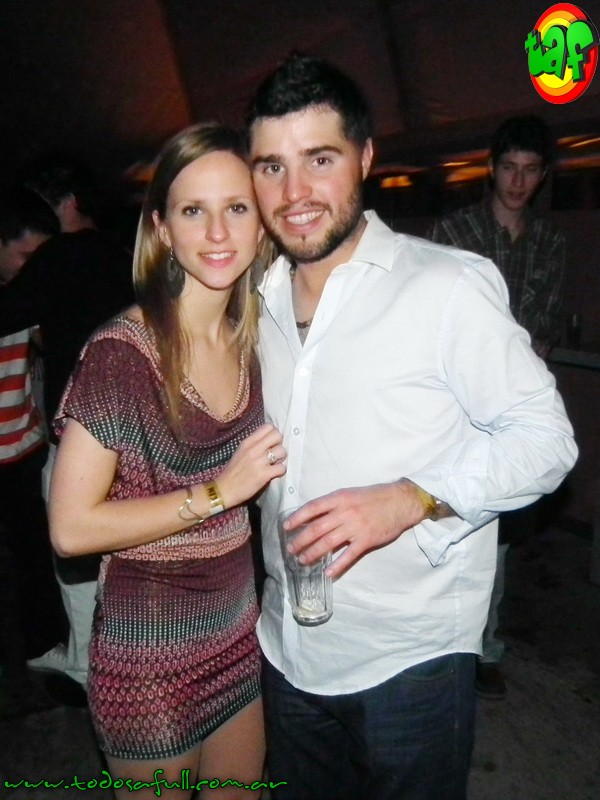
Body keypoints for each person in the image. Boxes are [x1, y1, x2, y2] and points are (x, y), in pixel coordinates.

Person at [245, 53, 577, 800]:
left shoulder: (446, 285)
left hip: (408, 659)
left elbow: (546, 440)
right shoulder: (255, 301)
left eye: (319, 159)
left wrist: (412, 497)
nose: (294, 194)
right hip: (285, 647)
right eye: (271, 167)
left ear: (364, 158)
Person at [48, 123, 284, 800]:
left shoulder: (257, 340)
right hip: (149, 654)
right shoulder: (121, 355)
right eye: (193, 210)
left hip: (236, 633)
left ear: (261, 223)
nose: (218, 232)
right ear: (162, 228)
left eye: (236, 208)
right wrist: (219, 492)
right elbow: (70, 529)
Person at [428, 115, 565, 699]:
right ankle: (437, 644)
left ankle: (482, 646)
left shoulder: (550, 243)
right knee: (441, 516)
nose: (518, 181)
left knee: (497, 532)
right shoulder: (454, 230)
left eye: (530, 170)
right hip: (453, 406)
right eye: (509, 167)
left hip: (512, 410)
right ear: (491, 167)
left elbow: (547, 325)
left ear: (542, 175)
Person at [0, 155, 134, 688]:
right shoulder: (124, 250)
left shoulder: (59, 255)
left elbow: (7, 313)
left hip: (80, 430)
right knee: (124, 548)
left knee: (73, 545)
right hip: (135, 426)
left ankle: (85, 662)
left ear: (69, 203)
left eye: (46, 204)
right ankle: (127, 653)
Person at [0, 188, 65, 716]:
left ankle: (43, 661)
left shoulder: (32, 296)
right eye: (27, 256)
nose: (36, 269)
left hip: (23, 448)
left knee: (35, 563)